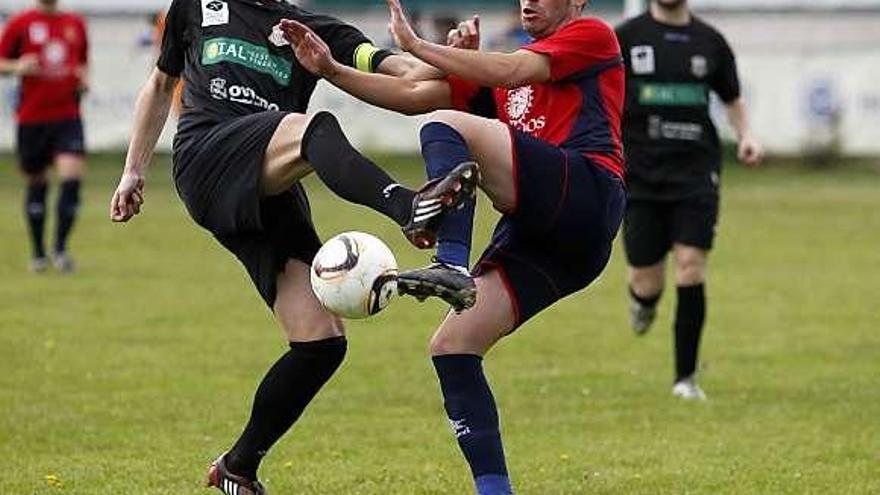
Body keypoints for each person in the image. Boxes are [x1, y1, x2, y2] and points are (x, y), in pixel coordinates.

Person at [109, 1, 477, 494]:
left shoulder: (318, 30)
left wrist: (448, 58)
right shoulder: (197, 6)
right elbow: (159, 85)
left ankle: (237, 467)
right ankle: (409, 208)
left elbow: (410, 75)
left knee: (320, 341)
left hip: (270, 182)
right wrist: (133, 170)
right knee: (310, 129)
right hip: (208, 158)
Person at [281, 0, 625, 491]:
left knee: (449, 128)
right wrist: (330, 70)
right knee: (452, 347)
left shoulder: (591, 36)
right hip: (555, 243)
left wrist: (422, 46)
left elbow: (511, 69)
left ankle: (450, 260)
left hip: (587, 194)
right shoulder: (501, 75)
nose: (529, 0)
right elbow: (412, 93)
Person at [615, 0, 762, 400]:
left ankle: (685, 380)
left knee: (690, 266)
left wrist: (746, 135)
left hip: (696, 175)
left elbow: (732, 98)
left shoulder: (710, 42)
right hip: (641, 177)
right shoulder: (626, 38)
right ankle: (642, 302)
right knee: (646, 280)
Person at [0, 0, 88, 273]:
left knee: (71, 179)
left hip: (67, 116)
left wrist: (83, 79)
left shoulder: (75, 23)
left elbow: (83, 63)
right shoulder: (20, 22)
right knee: (37, 183)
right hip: (32, 118)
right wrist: (17, 67)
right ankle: (38, 252)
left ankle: (60, 249)